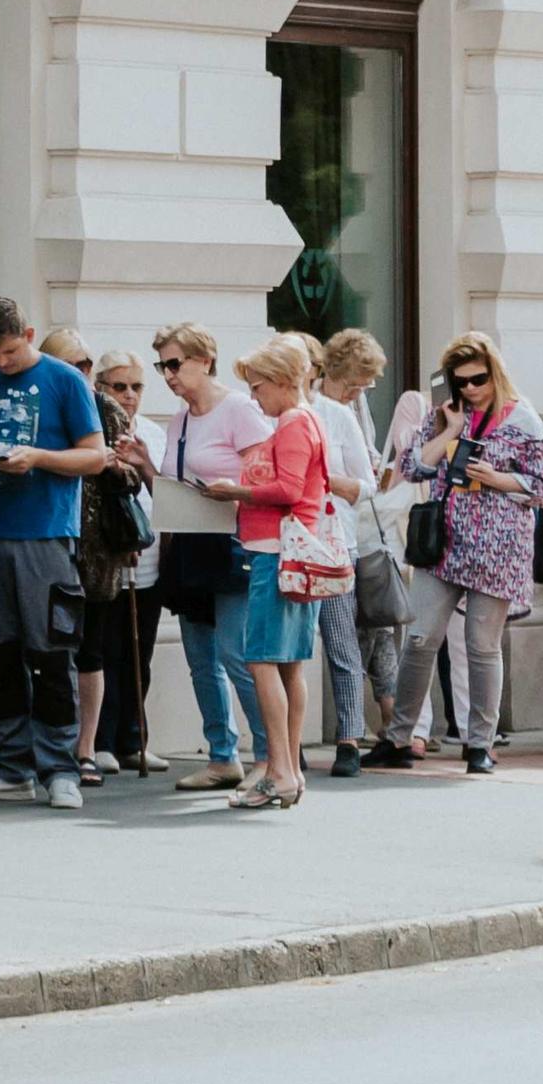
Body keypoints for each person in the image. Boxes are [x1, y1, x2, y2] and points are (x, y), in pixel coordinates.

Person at [0, 296, 105, 810]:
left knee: (52, 650)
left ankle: (61, 766)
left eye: (10, 351)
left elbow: (96, 455)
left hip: (47, 532)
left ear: (29, 334)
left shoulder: (65, 380)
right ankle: (10, 766)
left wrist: (37, 457)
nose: (2, 363)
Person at [386, 333, 543, 776]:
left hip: (497, 547)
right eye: (460, 383)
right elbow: (411, 467)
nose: (471, 389)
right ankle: (399, 736)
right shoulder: (444, 414)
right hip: (444, 541)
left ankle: (479, 743)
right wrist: (452, 429)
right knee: (420, 639)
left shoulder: (523, 419)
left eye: (478, 379)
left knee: (481, 647)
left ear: (495, 373)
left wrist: (497, 478)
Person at [148, 324, 272, 789]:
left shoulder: (238, 409)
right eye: (163, 365)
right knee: (201, 657)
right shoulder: (180, 419)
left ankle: (267, 755)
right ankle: (223, 755)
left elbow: (266, 475)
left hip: (235, 540)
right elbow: (171, 484)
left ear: (204, 359)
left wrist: (235, 491)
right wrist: (142, 462)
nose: (168, 375)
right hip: (192, 541)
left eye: (174, 363)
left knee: (237, 654)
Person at [225, 338, 330, 813]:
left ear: (285, 381)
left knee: (262, 658)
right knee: (287, 662)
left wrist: (237, 492)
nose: (255, 396)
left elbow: (287, 488)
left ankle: (281, 770)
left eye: (259, 385)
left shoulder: (292, 423)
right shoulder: (304, 421)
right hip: (293, 550)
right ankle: (289, 768)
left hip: (277, 551)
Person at [305, 332, 397, 780]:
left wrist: (326, 481)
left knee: (344, 642)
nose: (362, 388)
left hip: (337, 540)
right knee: (291, 648)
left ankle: (349, 737)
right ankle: (288, 739)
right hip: (287, 546)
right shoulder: (274, 414)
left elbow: (366, 484)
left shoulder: (340, 414)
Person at [73, 349, 156, 782]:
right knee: (94, 647)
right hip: (79, 548)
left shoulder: (142, 428)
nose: (128, 395)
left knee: (122, 651)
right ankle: (97, 741)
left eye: (136, 387)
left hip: (123, 551)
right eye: (119, 386)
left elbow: (138, 483)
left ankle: (121, 740)